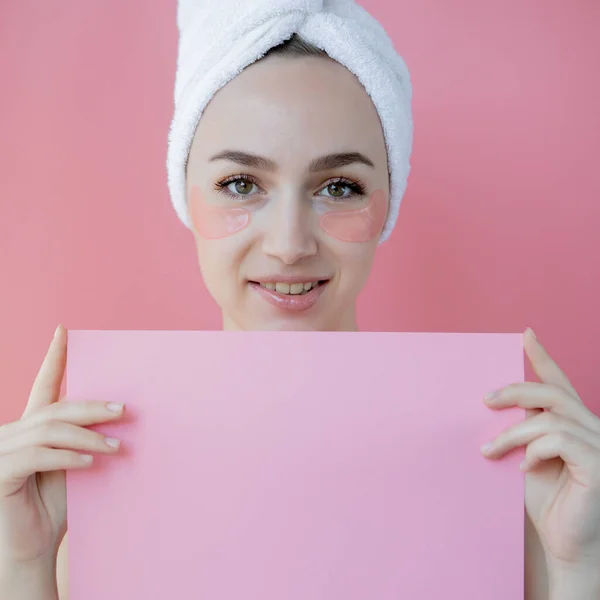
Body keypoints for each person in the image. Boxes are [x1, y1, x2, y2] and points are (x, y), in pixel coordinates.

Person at [1, 2, 599, 599]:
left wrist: (581, 564)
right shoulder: (88, 488)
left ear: (388, 202)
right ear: (184, 193)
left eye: (340, 187)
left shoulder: (513, 488)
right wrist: (22, 561)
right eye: (241, 184)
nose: (289, 245)